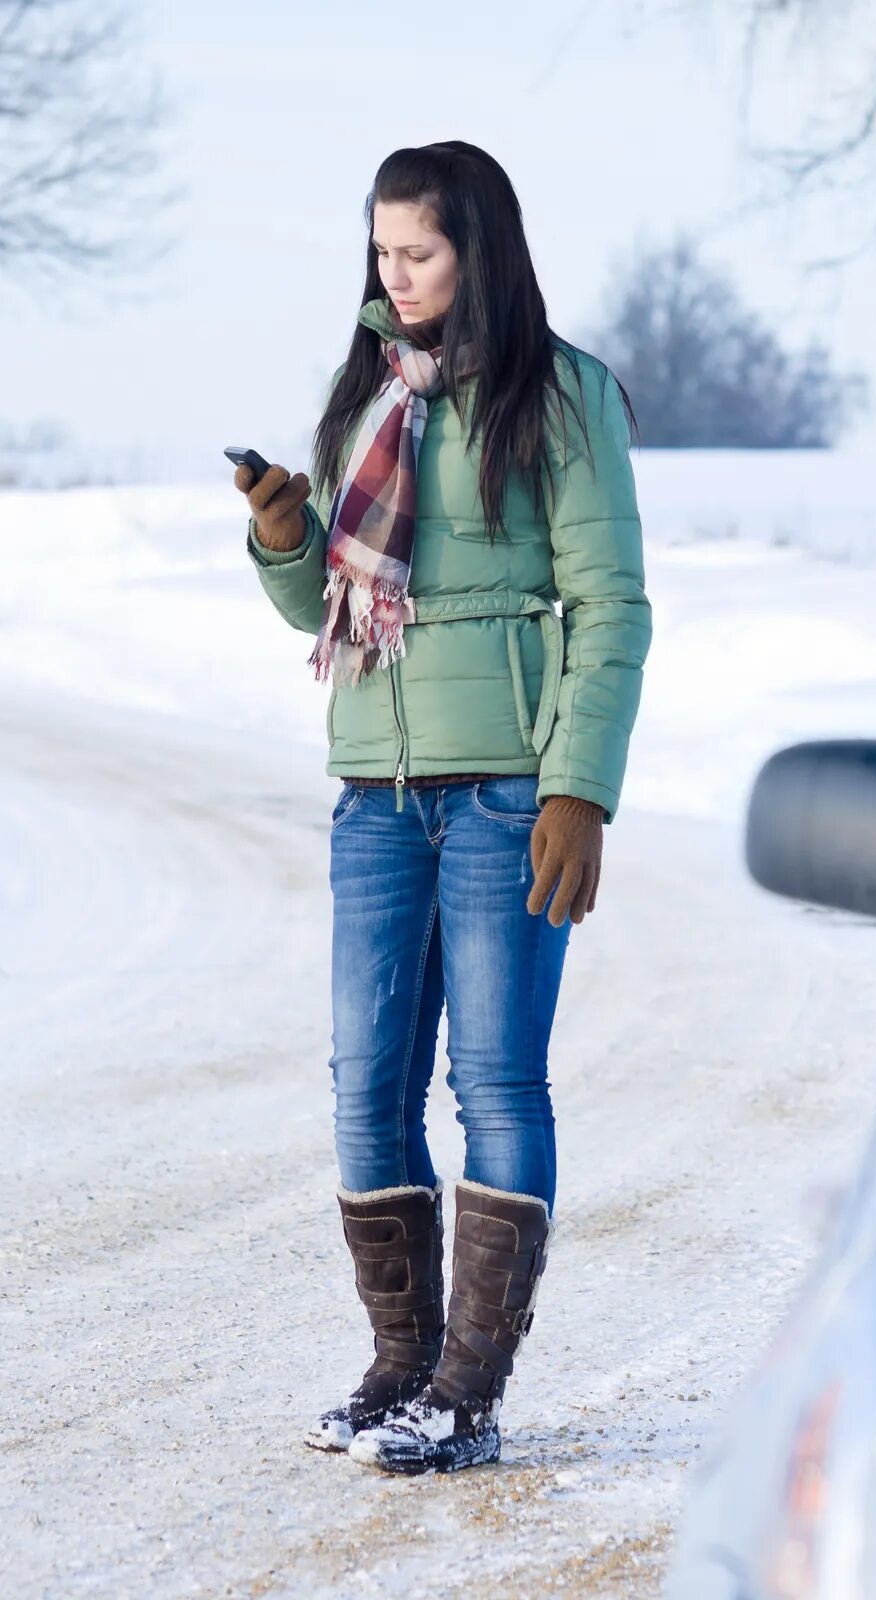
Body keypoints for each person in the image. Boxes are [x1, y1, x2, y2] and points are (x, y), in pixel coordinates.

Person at [236, 140, 650, 1476]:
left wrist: (579, 787)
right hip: (374, 790)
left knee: (494, 1080)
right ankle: (399, 1366)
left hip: (502, 787)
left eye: (417, 252)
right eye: (379, 253)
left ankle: (468, 1386)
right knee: (367, 1088)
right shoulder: (367, 391)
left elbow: (612, 606)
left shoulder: (564, 396)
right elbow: (326, 611)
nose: (393, 277)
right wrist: (286, 534)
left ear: (478, 247)